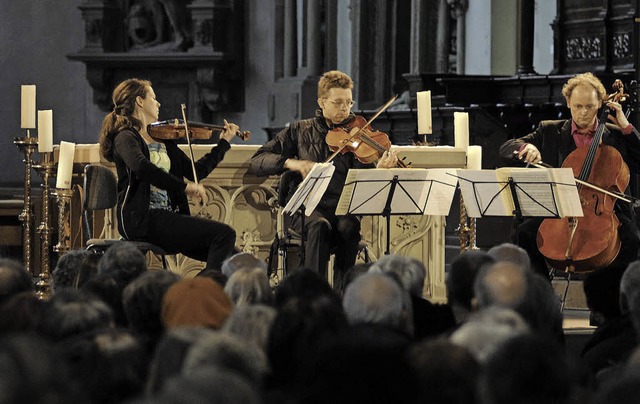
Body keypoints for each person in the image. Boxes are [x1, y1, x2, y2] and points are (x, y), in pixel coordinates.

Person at [249, 70, 398, 285]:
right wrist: (292, 163)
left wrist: (380, 170)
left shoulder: (357, 133)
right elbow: (258, 159)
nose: (345, 108)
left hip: (340, 207)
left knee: (350, 226)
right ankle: (314, 292)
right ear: (322, 102)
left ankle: (343, 293)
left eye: (348, 102)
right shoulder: (299, 130)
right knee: (319, 226)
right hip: (306, 210)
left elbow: (361, 179)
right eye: (338, 102)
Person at [499, 72, 640, 278]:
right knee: (524, 234)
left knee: (630, 239)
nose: (583, 112)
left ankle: (611, 303)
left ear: (601, 104)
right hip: (559, 212)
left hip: (607, 213)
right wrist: (525, 147)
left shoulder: (616, 134)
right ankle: (542, 295)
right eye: (578, 106)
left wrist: (626, 126)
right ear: (568, 103)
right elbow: (506, 148)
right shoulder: (549, 131)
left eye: (590, 107)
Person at [98, 78, 238, 272]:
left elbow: (195, 172)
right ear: (139, 101)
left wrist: (223, 144)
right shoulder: (125, 136)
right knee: (224, 234)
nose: (158, 103)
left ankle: (196, 293)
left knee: (235, 257)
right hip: (142, 219)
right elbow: (142, 167)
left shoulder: (163, 140)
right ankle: (198, 294)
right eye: (153, 98)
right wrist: (185, 187)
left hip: (167, 218)